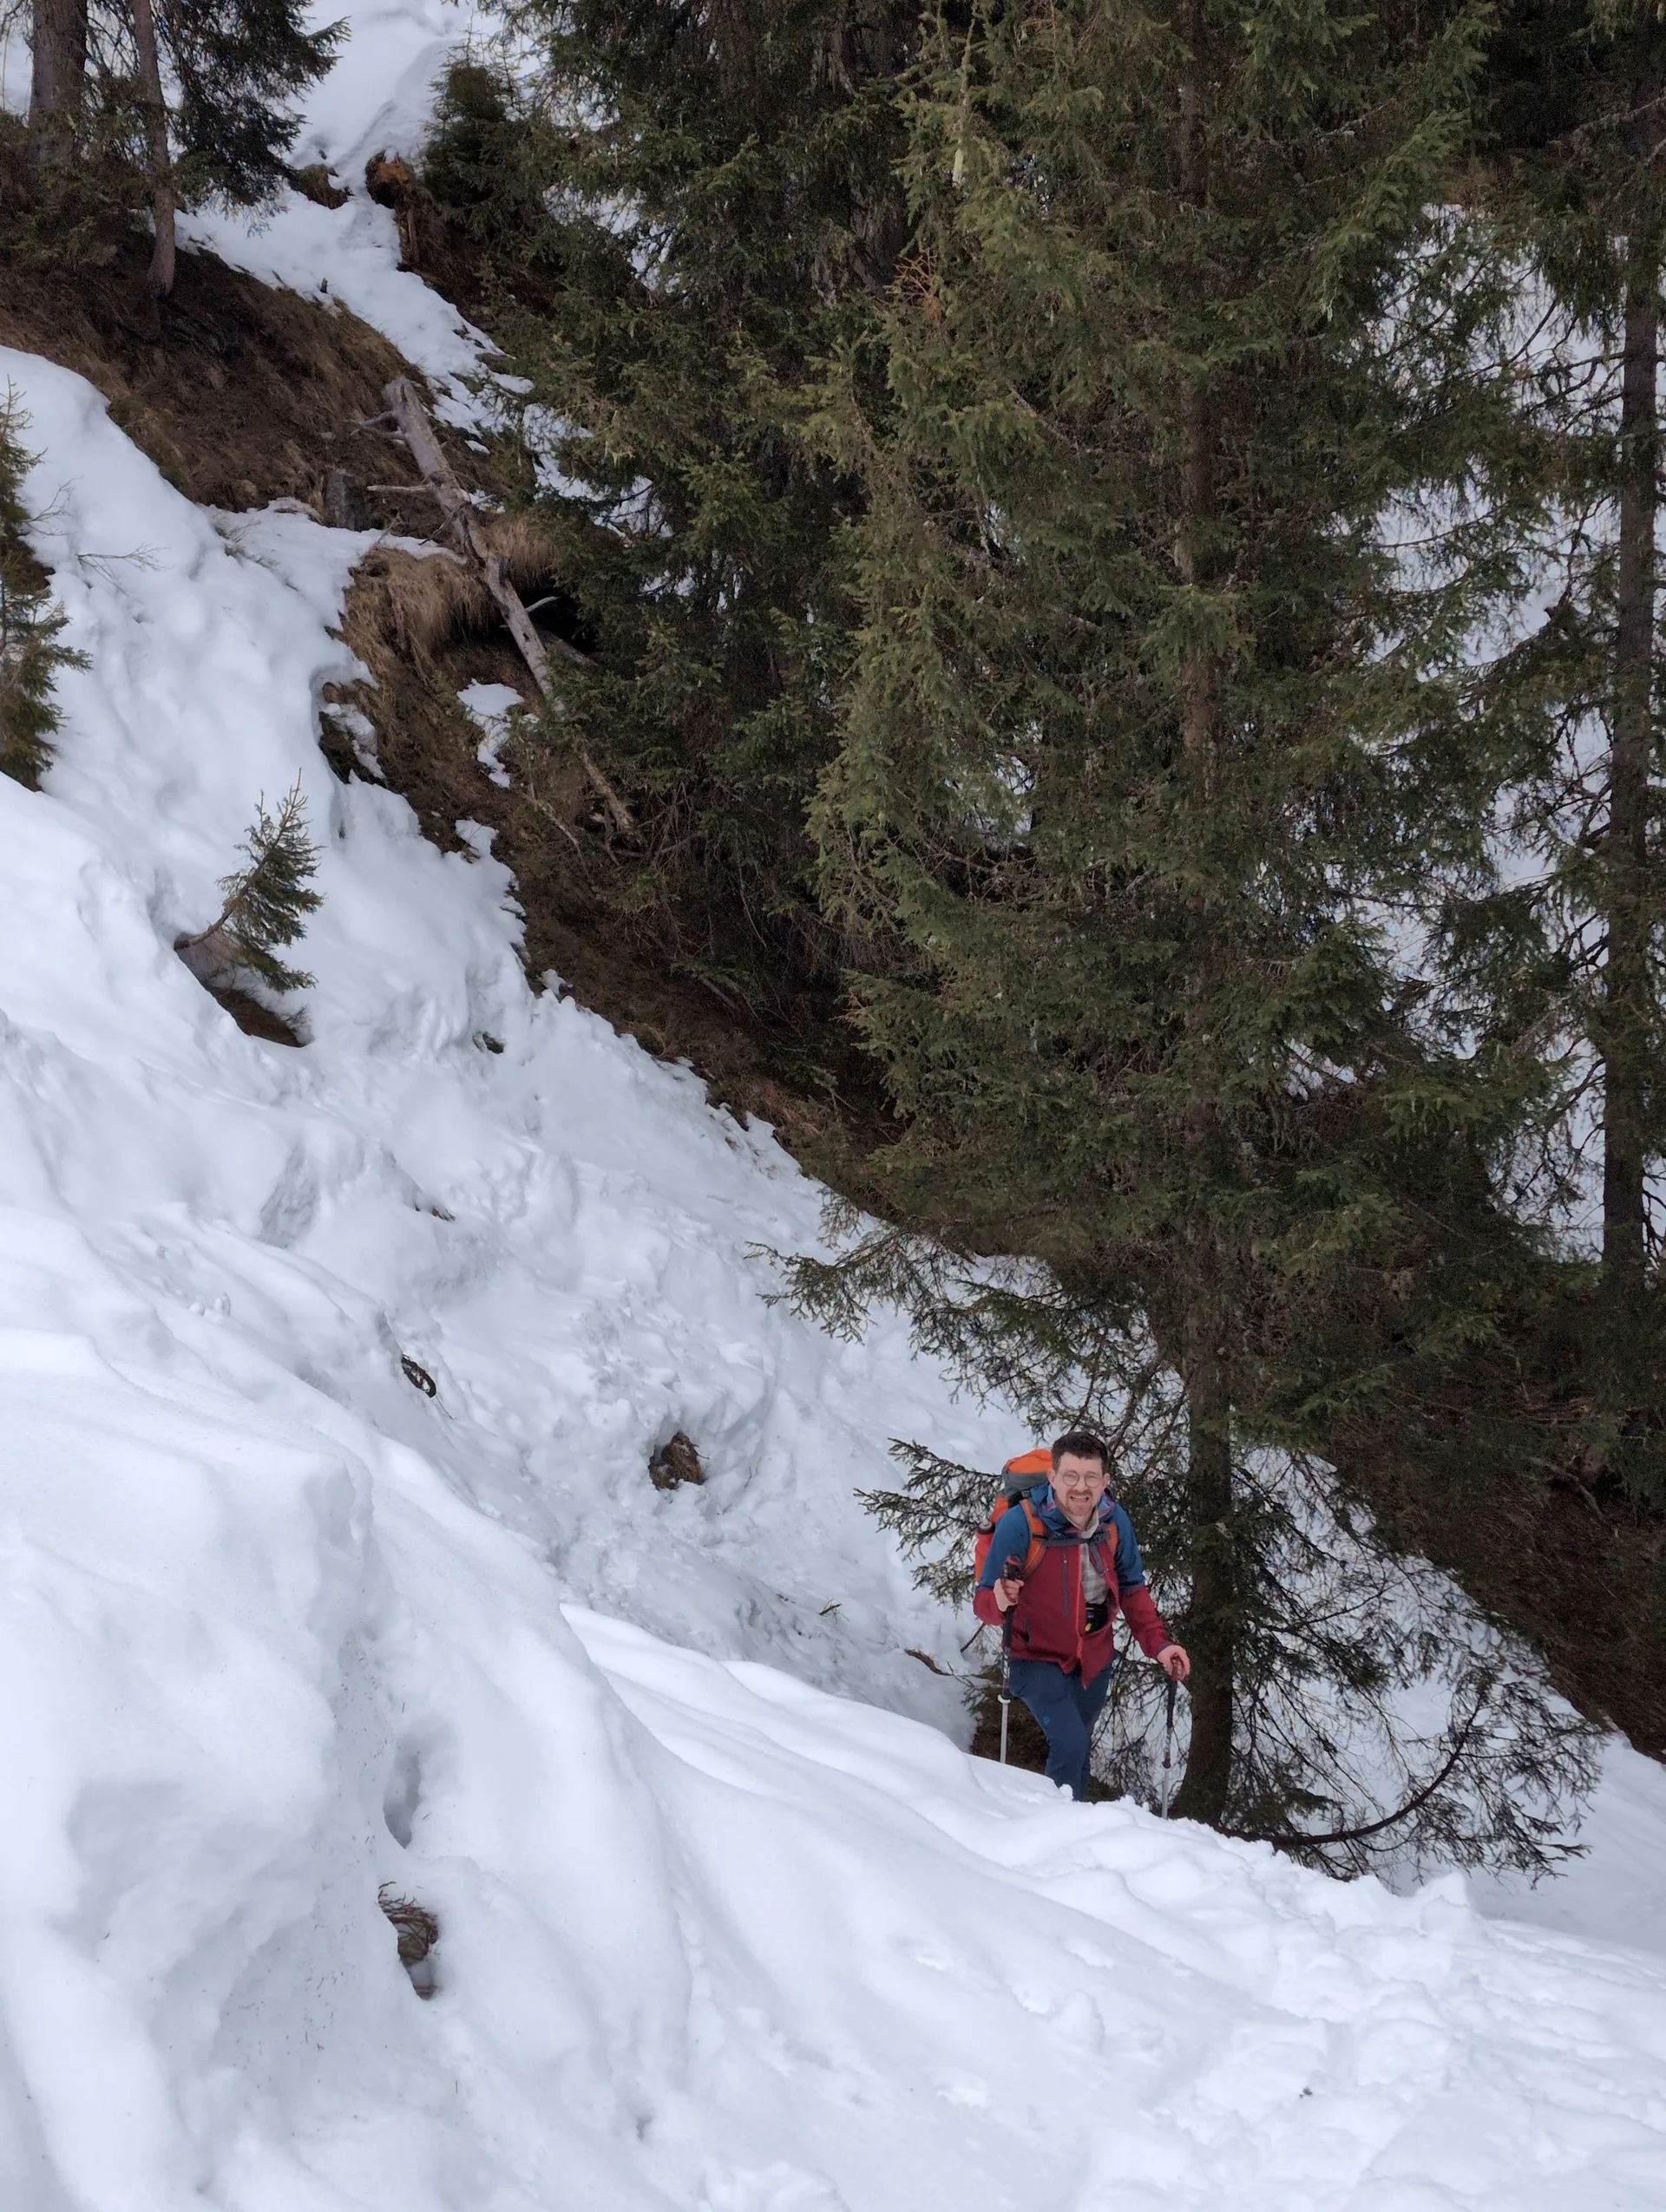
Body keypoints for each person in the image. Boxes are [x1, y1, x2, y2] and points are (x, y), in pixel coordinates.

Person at [973, 1429, 1190, 1802]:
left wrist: (1160, 1646)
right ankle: (1059, 1834)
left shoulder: (1113, 1522)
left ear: (1105, 1481)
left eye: (1091, 1477)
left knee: (1079, 1748)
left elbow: (1133, 1589)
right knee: (1071, 1745)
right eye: (1070, 1476)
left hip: (1093, 1658)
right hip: (1034, 1655)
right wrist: (999, 1600)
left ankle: (1073, 1824)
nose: (1080, 1487)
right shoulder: (1022, 1524)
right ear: (1053, 1478)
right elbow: (985, 1604)